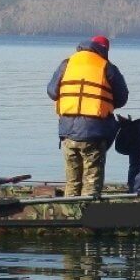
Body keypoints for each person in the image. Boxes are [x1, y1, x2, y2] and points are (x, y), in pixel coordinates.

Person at [47, 35, 129, 197]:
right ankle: (87, 217)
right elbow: (121, 98)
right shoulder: (107, 67)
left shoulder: (67, 63)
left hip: (67, 133)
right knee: (91, 181)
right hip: (94, 133)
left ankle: (70, 216)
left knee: (72, 181)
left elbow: (51, 92)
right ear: (105, 50)